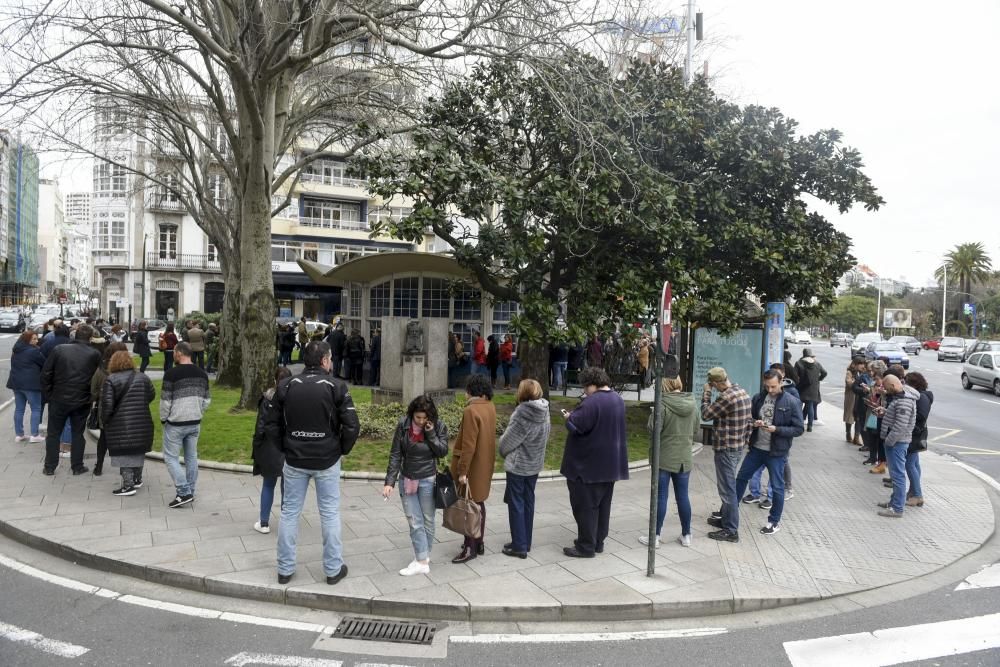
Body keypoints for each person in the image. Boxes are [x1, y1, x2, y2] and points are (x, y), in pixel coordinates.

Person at [272, 340, 359, 585]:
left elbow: (271, 423)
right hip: (325, 459)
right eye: (330, 358)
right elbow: (352, 426)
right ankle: (333, 569)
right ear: (324, 361)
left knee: (289, 513)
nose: (331, 362)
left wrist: (285, 447)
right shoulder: (336, 386)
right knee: (329, 514)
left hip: (296, 458)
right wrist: (340, 449)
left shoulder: (287, 385)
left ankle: (285, 569)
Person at [560, 367, 628, 558]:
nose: (584, 391)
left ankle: (585, 546)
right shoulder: (617, 399)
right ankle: (598, 542)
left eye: (585, 387)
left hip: (588, 467)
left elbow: (577, 426)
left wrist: (568, 417)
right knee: (603, 506)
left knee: (585, 507)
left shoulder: (592, 402)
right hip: (610, 465)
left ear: (592, 384)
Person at [382, 395, 450, 575]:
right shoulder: (403, 425)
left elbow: (442, 451)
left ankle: (422, 559)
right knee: (414, 521)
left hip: (428, 478)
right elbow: (395, 454)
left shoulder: (438, 426)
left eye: (424, 417)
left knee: (428, 520)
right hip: (408, 479)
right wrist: (390, 482)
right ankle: (422, 559)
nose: (420, 421)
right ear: (412, 414)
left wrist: (430, 433)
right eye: (417, 417)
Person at [734, 370, 805, 535]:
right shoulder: (759, 397)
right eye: (767, 386)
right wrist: (754, 423)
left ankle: (774, 522)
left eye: (773, 386)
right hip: (757, 449)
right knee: (741, 478)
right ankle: (730, 511)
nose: (770, 390)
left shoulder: (792, 401)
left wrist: (777, 429)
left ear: (781, 381)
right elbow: (749, 418)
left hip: (776, 452)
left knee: (778, 487)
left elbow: (799, 428)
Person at [639, 375, 698, 548]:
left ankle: (655, 537)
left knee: (661, 497)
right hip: (684, 458)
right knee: (683, 497)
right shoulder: (692, 403)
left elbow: (653, 429)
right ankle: (686, 535)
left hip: (663, 457)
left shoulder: (662, 404)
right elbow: (695, 429)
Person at [40, 325, 102, 476]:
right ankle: (77, 466)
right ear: (90, 338)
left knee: (54, 433)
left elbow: (46, 374)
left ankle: (50, 467)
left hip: (59, 398)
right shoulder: (94, 353)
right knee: (77, 434)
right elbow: (98, 379)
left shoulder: (60, 349)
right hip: (81, 400)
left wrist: (49, 394)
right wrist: (91, 397)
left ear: (75, 336)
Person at [499, 379, 550, 558]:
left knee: (516, 504)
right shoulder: (544, 410)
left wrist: (502, 450)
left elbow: (507, 443)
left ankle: (519, 546)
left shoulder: (522, 414)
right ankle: (524, 541)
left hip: (519, 466)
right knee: (528, 502)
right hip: (534, 464)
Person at [449, 373, 498, 563]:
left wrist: (462, 471)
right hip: (485, 463)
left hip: (472, 466)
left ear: (471, 391)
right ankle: (479, 541)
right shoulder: (490, 407)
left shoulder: (471, 411)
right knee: (479, 503)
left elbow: (468, 445)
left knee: (469, 506)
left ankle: (470, 547)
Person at [701, 366, 752, 543]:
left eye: (712, 385)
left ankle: (731, 530)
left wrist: (706, 395)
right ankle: (725, 519)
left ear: (716, 383)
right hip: (737, 446)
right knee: (729, 486)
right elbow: (749, 423)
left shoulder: (726, 397)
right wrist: (746, 441)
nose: (712, 388)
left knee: (727, 490)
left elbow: (706, 414)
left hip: (725, 448)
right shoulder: (741, 391)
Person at [159, 341, 211, 508]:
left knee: (170, 457)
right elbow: (206, 400)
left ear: (179, 353)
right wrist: (199, 411)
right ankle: (190, 490)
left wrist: (163, 418)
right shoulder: (202, 374)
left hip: (175, 423)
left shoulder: (171, 374)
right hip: (195, 422)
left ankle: (184, 491)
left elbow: (165, 402)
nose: (173, 353)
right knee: (191, 457)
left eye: (174, 351)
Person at [99, 350, 156, 496]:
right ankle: (137, 479)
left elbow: (107, 405)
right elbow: (151, 395)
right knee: (138, 450)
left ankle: (128, 485)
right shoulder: (143, 377)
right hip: (142, 421)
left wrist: (105, 421)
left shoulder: (111, 380)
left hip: (120, 424)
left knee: (123, 453)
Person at [251, 366, 292, 534]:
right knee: (287, 487)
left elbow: (261, 425)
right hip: (289, 447)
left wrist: (257, 445)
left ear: (275, 380)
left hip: (270, 446)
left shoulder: (268, 398)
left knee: (268, 484)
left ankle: (264, 522)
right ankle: (286, 523)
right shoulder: (296, 398)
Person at [877, 374, 919, 518]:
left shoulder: (904, 401)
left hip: (897, 443)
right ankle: (894, 502)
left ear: (894, 386)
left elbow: (900, 426)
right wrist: (886, 412)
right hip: (897, 442)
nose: (885, 390)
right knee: (896, 475)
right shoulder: (901, 398)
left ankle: (897, 508)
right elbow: (898, 419)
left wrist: (889, 441)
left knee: (898, 475)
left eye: (887, 387)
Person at [90, 342, 129, 476]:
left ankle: (99, 466)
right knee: (123, 439)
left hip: (105, 408)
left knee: (104, 438)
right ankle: (124, 469)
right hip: (125, 409)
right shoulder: (131, 371)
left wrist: (101, 396)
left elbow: (93, 390)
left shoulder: (101, 370)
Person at [9, 330, 45, 443]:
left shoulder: (16, 350)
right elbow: (44, 363)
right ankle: (34, 435)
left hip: (16, 383)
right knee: (36, 408)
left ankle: (19, 434)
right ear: (27, 340)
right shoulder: (33, 351)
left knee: (19, 409)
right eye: (34, 339)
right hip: (31, 384)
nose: (37, 340)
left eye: (36, 338)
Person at [903, 372, 932, 508]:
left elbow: (921, 416)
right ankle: (913, 491)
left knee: (910, 464)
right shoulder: (920, 396)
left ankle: (917, 495)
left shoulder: (922, 397)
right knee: (914, 464)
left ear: (914, 384)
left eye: (906, 382)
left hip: (915, 435)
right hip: (915, 433)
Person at [794, 348, 827, 432]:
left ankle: (799, 423)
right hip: (813, 388)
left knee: (798, 405)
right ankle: (810, 426)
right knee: (810, 405)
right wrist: (819, 379)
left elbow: (794, 376)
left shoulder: (799, 363)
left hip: (802, 387)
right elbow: (824, 373)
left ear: (803, 354)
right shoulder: (817, 363)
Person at [843, 357, 860, 444]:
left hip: (859, 396)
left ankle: (857, 437)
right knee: (850, 416)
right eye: (860, 364)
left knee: (859, 417)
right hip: (851, 397)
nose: (862, 366)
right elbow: (849, 383)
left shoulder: (863, 373)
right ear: (855, 364)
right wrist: (856, 382)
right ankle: (848, 433)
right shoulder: (849, 372)